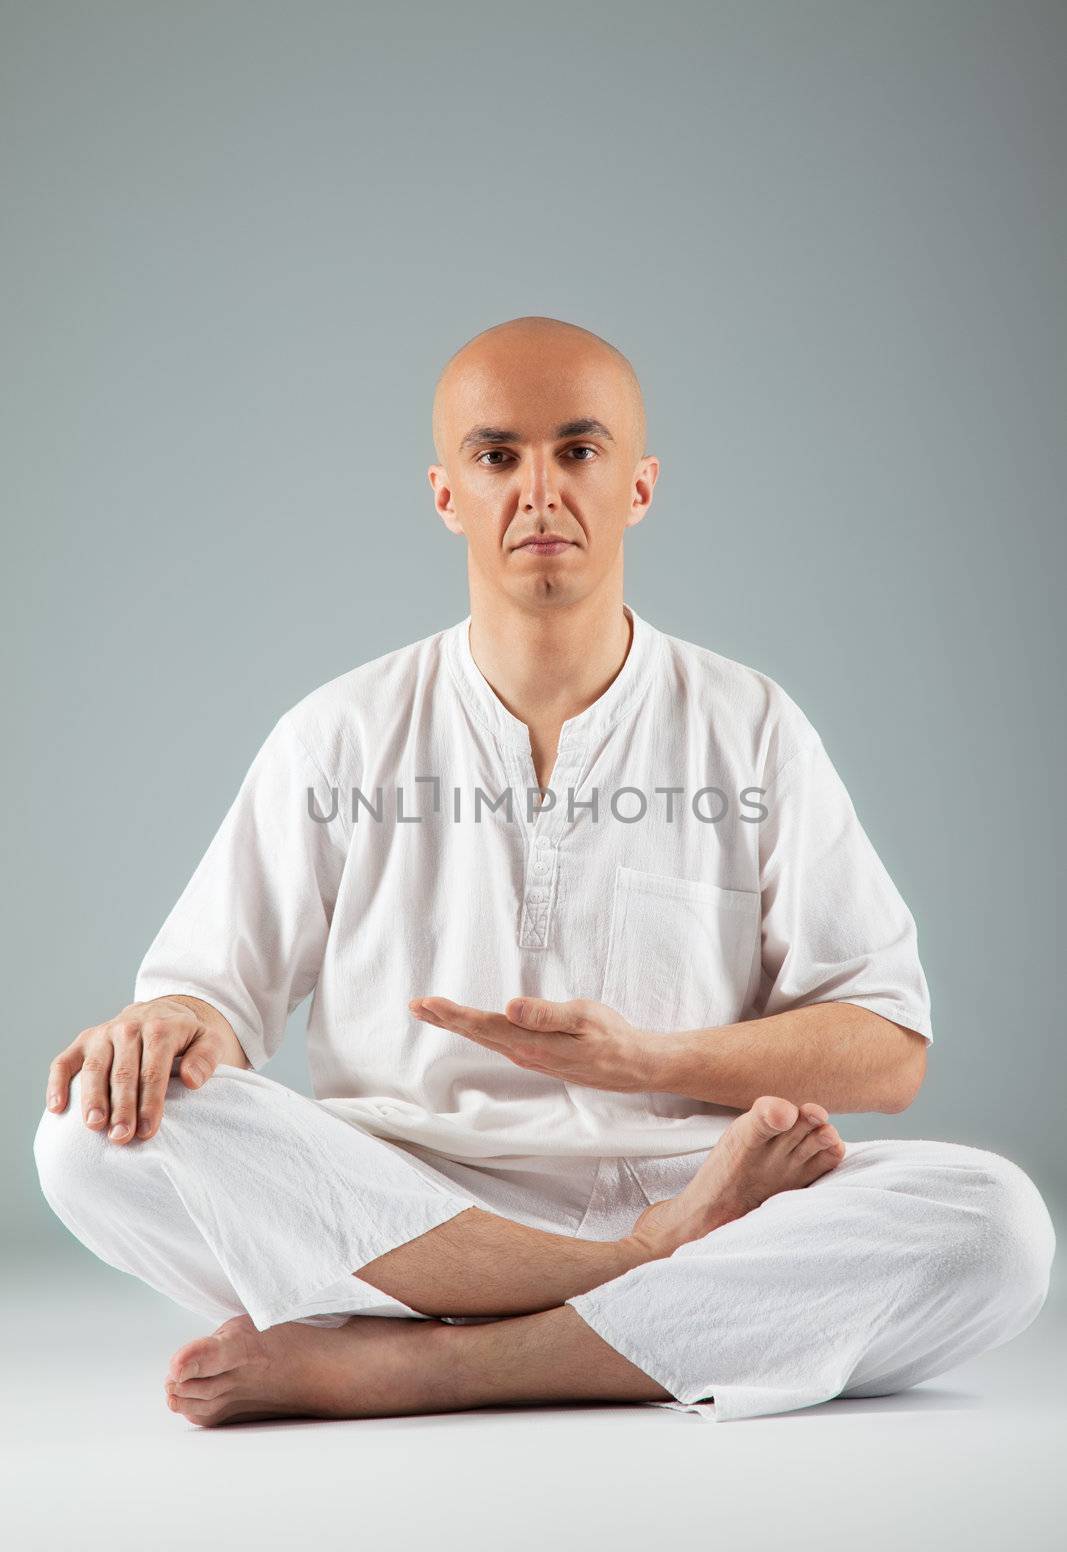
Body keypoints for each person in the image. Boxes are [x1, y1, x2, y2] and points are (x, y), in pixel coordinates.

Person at [33, 316, 1055, 1427]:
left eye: (577, 450)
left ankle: (422, 1367)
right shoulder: (338, 734)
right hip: (402, 1207)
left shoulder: (748, 727)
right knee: (91, 1133)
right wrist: (167, 1022)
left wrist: (645, 1057)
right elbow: (212, 1002)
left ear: (639, 486)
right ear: (445, 495)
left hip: (699, 1189)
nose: (538, 490)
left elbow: (886, 1048)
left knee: (993, 1224)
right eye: (495, 456)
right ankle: (627, 1286)